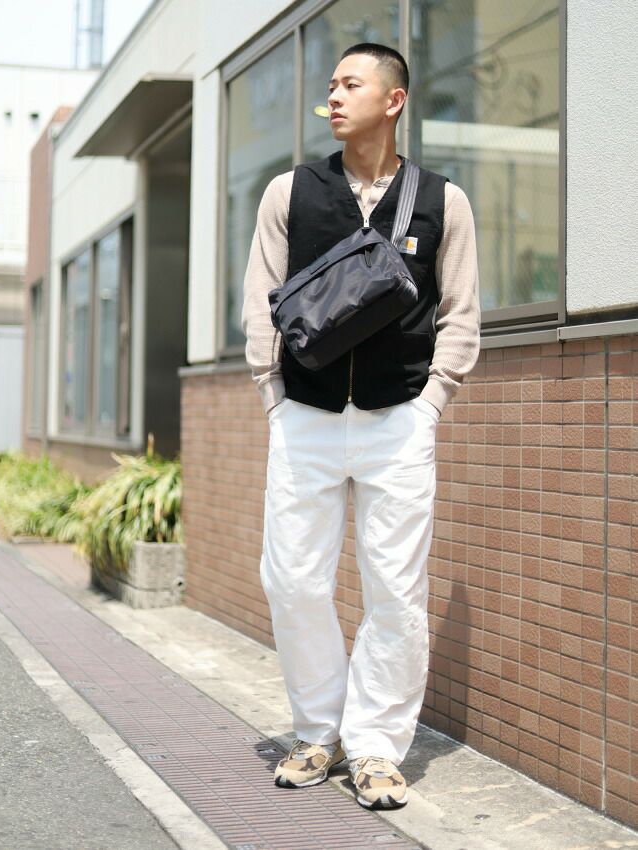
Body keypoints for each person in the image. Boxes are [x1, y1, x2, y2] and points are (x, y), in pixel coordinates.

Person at [241, 42, 480, 810]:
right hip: (305, 418)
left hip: (398, 421)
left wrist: (431, 404)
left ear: (394, 99)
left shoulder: (443, 200)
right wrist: (274, 396)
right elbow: (261, 300)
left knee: (396, 592)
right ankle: (320, 730)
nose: (335, 97)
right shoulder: (291, 192)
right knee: (291, 579)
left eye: (351, 84)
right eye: (332, 85)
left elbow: (461, 314)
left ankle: (376, 746)